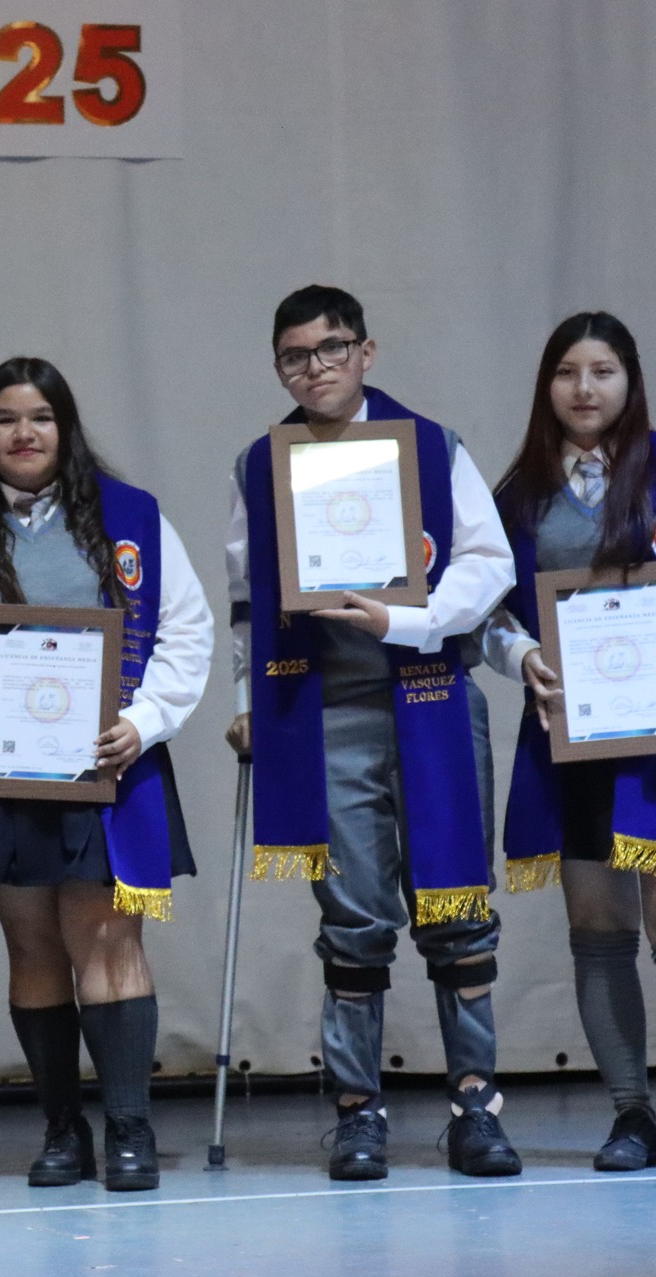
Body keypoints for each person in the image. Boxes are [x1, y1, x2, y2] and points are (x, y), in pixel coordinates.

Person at [0, 357, 213, 1192]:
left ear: (65, 427)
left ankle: (130, 1130)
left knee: (108, 939)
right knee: (31, 947)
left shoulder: (131, 516)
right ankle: (63, 1132)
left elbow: (187, 631)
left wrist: (141, 723)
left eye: (39, 417)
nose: (22, 433)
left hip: (109, 766)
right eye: (4, 418)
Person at [222, 285, 520, 1182]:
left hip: (429, 690)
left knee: (456, 902)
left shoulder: (430, 446)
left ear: (367, 351)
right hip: (322, 708)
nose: (315, 368)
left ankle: (475, 1103)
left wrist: (410, 619)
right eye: (295, 356)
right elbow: (246, 600)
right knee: (352, 918)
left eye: (332, 348)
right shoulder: (259, 464)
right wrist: (245, 697)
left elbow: (489, 562)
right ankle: (358, 1108)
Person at [484, 312, 656, 1174]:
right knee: (598, 927)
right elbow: (488, 610)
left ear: (629, 379)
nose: (584, 389)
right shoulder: (518, 492)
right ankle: (631, 1114)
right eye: (567, 372)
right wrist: (523, 653)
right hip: (573, 739)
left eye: (602, 370)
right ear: (548, 386)